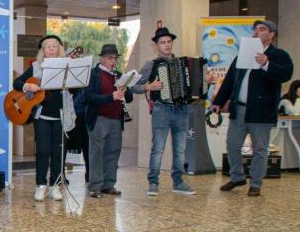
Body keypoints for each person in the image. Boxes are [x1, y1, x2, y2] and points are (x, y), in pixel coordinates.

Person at [213, 19, 294, 196]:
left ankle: (256, 183)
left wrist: (266, 64)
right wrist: (218, 102)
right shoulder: (243, 54)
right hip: (239, 109)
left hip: (261, 110)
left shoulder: (279, 55)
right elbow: (229, 80)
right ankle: (237, 177)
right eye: (255, 29)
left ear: (271, 35)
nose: (257, 32)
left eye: (262, 29)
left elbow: (286, 74)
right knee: (232, 144)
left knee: (260, 148)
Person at [131, 27, 196, 196]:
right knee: (158, 148)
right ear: (156, 46)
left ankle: (178, 182)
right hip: (162, 109)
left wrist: (207, 81)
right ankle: (153, 183)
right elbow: (133, 87)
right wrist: (148, 86)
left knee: (180, 149)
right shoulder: (151, 65)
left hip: (182, 109)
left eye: (169, 42)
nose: (166, 45)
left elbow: (195, 87)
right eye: (162, 42)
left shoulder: (184, 64)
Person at [13, 35, 75, 202]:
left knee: (58, 153)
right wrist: (28, 86)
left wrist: (71, 85)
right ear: (43, 51)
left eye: (55, 46)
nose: (51, 49)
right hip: (42, 115)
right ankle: (40, 185)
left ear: (59, 49)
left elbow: (76, 92)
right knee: (43, 151)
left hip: (61, 116)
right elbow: (16, 83)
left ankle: (55, 186)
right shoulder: (35, 67)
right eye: (48, 47)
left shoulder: (68, 67)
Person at [83, 44, 133, 198]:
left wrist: (125, 89)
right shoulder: (93, 74)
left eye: (115, 58)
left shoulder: (118, 75)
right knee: (96, 153)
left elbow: (129, 98)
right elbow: (88, 97)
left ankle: (108, 185)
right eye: (110, 58)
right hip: (99, 118)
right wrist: (111, 96)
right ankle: (95, 186)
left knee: (113, 151)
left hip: (115, 120)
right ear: (102, 58)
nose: (113, 62)